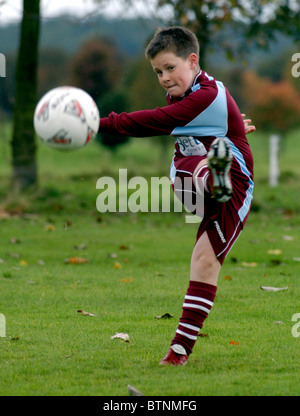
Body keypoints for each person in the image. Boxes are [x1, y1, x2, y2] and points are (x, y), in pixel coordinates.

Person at [98, 26, 255, 366]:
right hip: (195, 186)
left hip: (235, 185)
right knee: (184, 166)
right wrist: (232, 128)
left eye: (170, 68)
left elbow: (153, 121)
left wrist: (96, 124)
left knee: (203, 264)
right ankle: (212, 176)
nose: (164, 78)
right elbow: (199, 122)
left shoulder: (206, 95)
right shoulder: (192, 96)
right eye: (158, 72)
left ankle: (177, 355)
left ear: (192, 60)